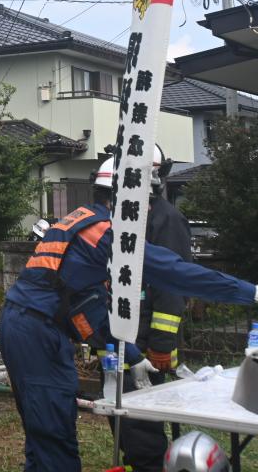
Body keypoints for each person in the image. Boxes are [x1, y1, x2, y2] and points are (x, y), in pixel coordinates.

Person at [0, 155, 258, 472]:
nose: (149, 210)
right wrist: (251, 293)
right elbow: (175, 272)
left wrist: (133, 356)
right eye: (145, 200)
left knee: (44, 432)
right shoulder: (105, 234)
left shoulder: (79, 223)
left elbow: (89, 310)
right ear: (124, 197)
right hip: (37, 333)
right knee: (54, 433)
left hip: (30, 326)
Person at [117, 145, 192, 472]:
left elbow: (173, 285)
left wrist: (161, 345)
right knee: (126, 422)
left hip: (149, 343)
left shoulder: (166, 220)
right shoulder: (130, 214)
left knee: (142, 427)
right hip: (126, 338)